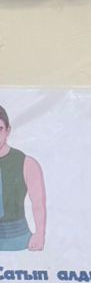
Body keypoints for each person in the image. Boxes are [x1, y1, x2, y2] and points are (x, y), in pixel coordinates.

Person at [0, 105, 46, 252]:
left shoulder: (27, 163)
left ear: (8, 130)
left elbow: (38, 203)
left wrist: (40, 235)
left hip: (19, 240)